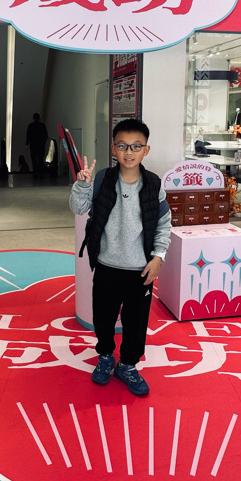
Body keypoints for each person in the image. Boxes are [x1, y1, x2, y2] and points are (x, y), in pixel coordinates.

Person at [69, 118, 172, 396]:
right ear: (114, 149)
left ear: (146, 150)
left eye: (136, 146)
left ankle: (127, 364)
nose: (129, 152)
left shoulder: (153, 185)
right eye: (123, 146)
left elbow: (164, 224)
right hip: (106, 266)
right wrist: (82, 185)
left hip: (141, 270)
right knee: (103, 319)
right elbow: (78, 208)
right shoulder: (102, 179)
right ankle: (105, 356)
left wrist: (158, 257)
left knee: (136, 323)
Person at [25, 112, 48, 179]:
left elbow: (28, 135)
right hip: (41, 145)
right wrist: (43, 142)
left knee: (34, 159)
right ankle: (41, 174)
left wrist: (27, 144)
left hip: (33, 145)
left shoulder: (31, 125)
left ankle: (35, 174)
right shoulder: (42, 125)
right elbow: (45, 135)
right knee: (41, 159)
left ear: (33, 118)